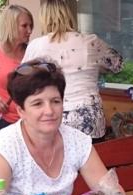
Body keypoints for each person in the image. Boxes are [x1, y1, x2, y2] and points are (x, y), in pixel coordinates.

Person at [0, 59, 117, 195]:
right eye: (37, 103)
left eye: (55, 101)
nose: (49, 111)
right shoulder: (5, 146)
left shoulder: (77, 141)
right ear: (21, 111)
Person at [23, 0, 123, 139]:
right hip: (90, 118)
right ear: (68, 15)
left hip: (53, 117)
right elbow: (118, 65)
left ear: (44, 18)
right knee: (90, 153)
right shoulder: (90, 42)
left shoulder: (36, 46)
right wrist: (98, 68)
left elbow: (23, 79)